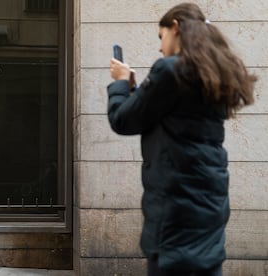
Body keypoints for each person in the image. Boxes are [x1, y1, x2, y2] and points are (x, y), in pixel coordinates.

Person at [107, 3, 256, 276]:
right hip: (208, 210)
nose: (160, 48)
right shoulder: (211, 73)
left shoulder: (169, 70)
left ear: (175, 28)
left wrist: (119, 84)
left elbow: (123, 120)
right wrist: (138, 90)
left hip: (175, 216)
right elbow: (175, 114)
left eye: (161, 37)